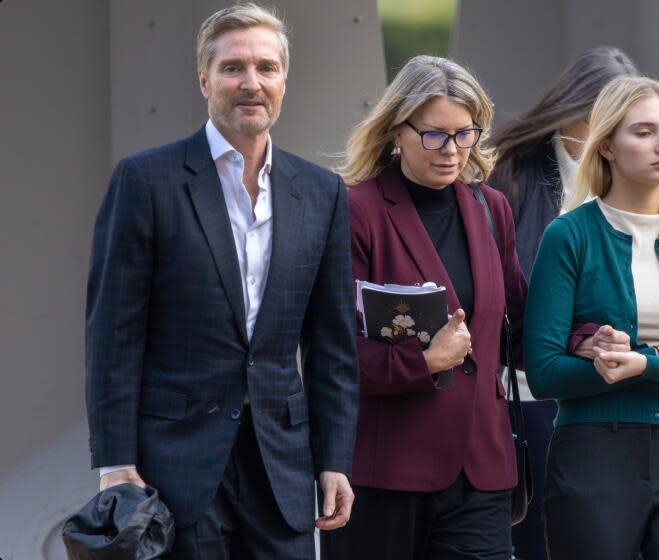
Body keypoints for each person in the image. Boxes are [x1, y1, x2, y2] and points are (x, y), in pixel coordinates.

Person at [85, 4, 359, 558]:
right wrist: (115, 463)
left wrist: (334, 458)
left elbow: (332, 343)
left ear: (284, 80)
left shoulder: (322, 192)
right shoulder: (146, 180)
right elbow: (113, 333)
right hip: (173, 468)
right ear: (204, 80)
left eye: (266, 67)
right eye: (234, 68)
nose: (251, 83)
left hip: (282, 469)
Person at [524, 76, 659, 560]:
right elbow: (543, 373)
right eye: (643, 132)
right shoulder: (569, 236)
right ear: (606, 145)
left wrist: (642, 362)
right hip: (593, 453)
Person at [320, 55, 528, 560]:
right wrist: (424, 361)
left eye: (465, 134)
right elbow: (334, 353)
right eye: (434, 135)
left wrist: (585, 336)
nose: (452, 150)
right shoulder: (356, 210)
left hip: (480, 469)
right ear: (397, 129)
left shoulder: (490, 207)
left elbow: (517, 324)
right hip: (386, 470)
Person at [489, 45, 638, 560]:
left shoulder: (641, 179)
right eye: (603, 118)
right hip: (538, 398)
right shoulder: (513, 175)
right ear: (575, 110)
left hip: (624, 393)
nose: (611, 135)